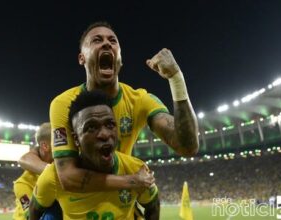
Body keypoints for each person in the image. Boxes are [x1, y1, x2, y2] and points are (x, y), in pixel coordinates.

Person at [47, 21, 199, 192]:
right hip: (79, 205)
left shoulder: (140, 100)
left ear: (120, 58)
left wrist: (176, 79)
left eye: (113, 41)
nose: (106, 43)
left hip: (123, 204)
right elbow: (68, 177)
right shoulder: (63, 104)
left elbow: (188, 146)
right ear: (81, 58)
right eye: (97, 40)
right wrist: (132, 181)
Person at [29, 91, 160, 220]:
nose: (104, 134)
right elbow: (34, 210)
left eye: (110, 125)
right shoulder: (53, 177)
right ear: (76, 139)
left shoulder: (137, 169)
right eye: (91, 128)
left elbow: (153, 205)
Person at [13, 122, 61, 220]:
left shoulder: (61, 166)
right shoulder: (22, 184)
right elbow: (29, 214)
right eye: (58, 142)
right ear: (45, 146)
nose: (63, 146)